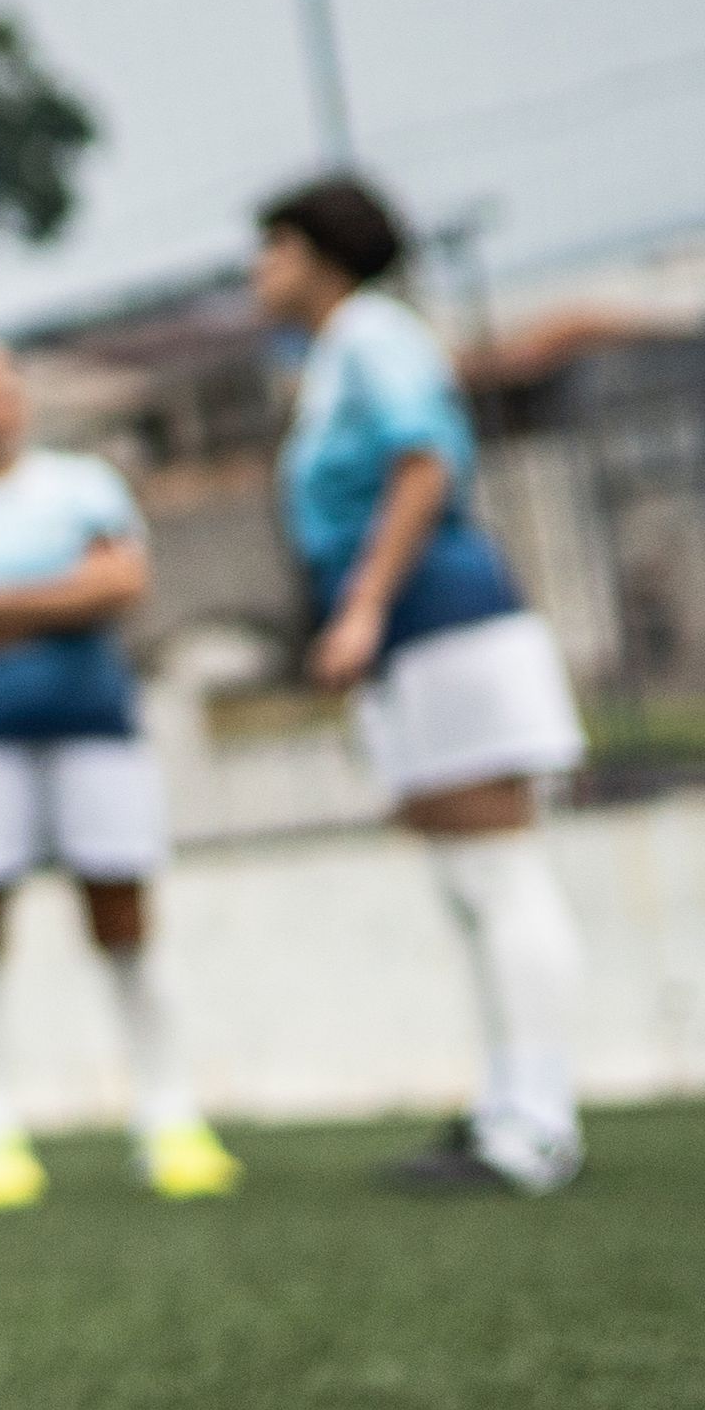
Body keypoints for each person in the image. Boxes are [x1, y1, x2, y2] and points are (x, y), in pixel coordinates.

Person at [252, 174, 593, 1194]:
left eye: (271, 251)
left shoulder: (372, 334)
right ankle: (507, 1105)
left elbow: (423, 466)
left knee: (502, 869)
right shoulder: (332, 353)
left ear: (316, 256)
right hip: (410, 635)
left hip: (443, 617)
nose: (258, 275)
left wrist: (361, 605)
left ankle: (539, 1126)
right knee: (465, 882)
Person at [0, 337, 231, 1211]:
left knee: (127, 920)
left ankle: (169, 1119)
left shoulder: (83, 486)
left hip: (94, 729)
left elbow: (118, 585)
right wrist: (57, 599)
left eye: (6, 388)